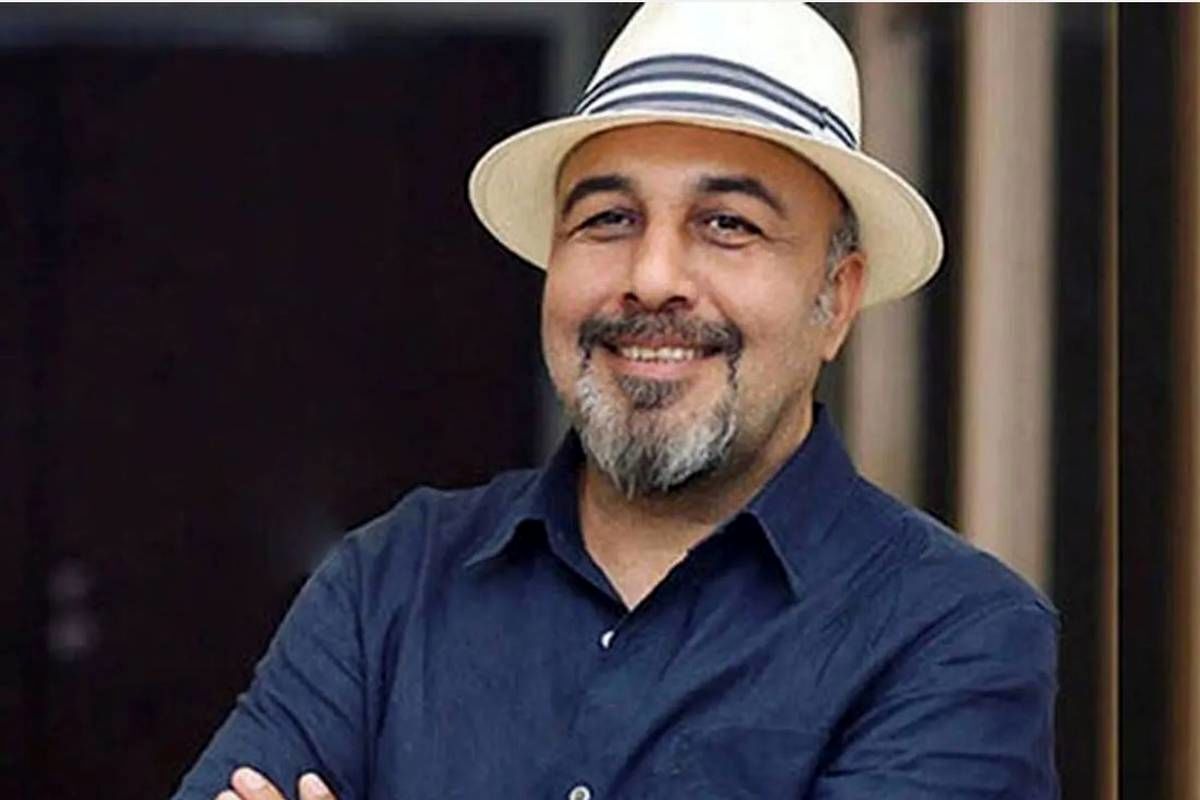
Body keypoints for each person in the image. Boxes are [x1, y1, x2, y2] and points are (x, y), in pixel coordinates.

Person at [174, 4, 1058, 799]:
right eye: (608, 219)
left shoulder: (954, 637)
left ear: (837, 298)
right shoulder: (390, 583)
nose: (653, 277)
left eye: (728, 224)